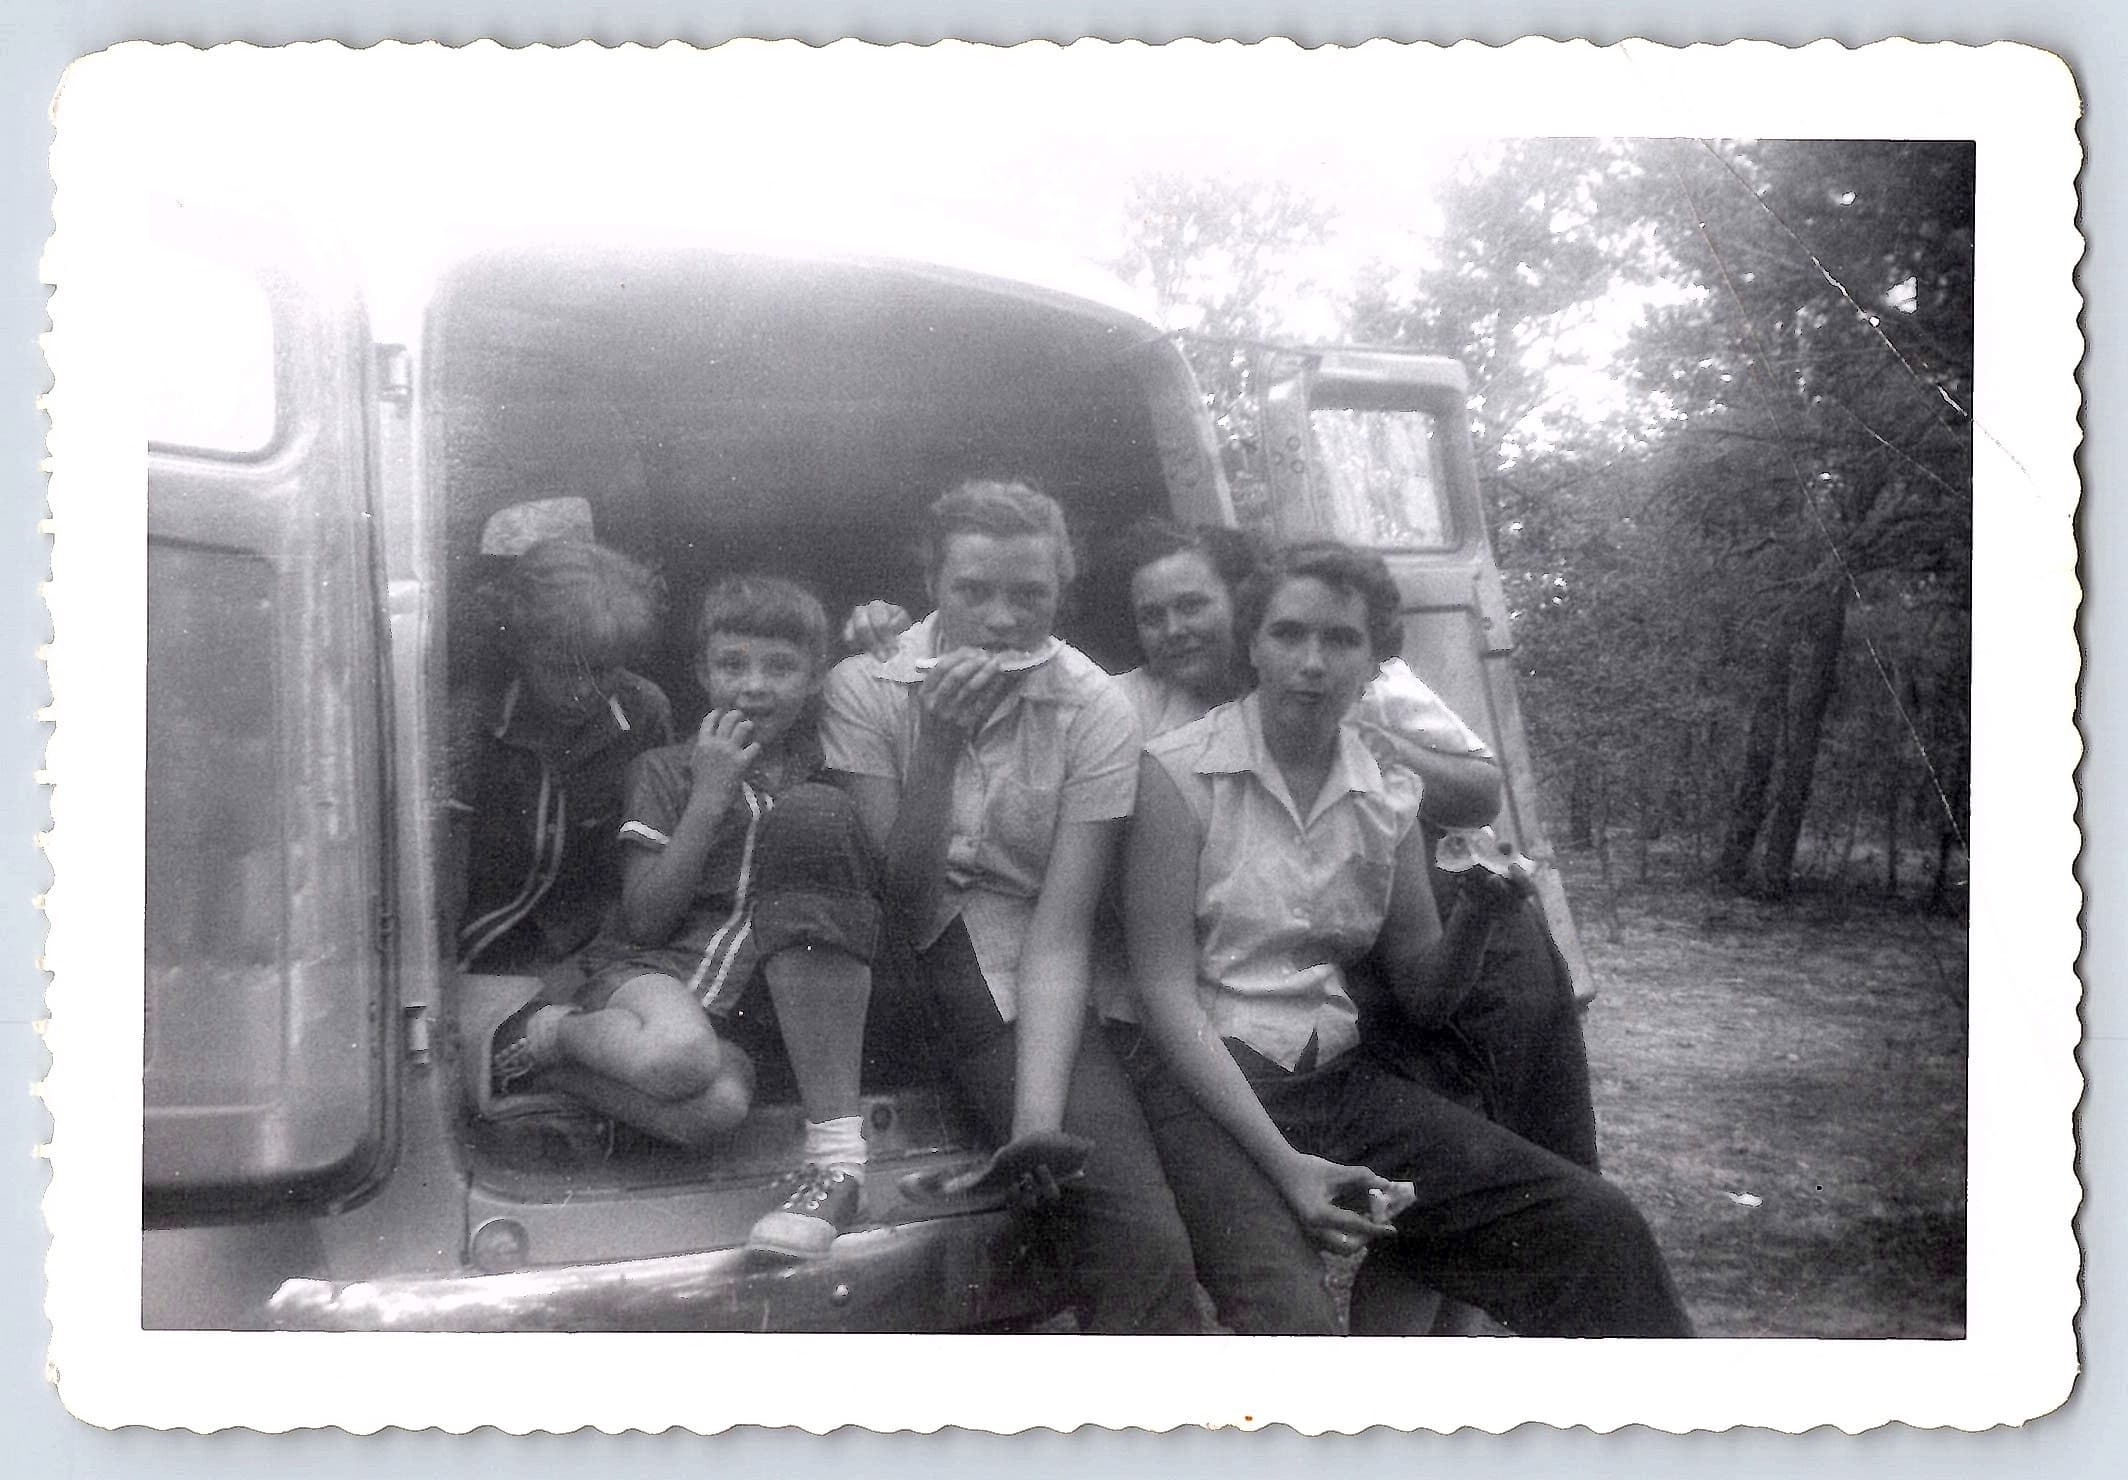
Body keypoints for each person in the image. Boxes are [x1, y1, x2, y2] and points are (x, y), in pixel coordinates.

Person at [1123, 539, 1692, 1337]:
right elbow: (1161, 996)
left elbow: (1424, 990)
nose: (1312, 663)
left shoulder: (1385, 790)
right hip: (1208, 1088)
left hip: (1335, 1087)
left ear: (1374, 661)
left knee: (1595, 1226)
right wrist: (1291, 1172)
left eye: (1341, 640)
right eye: (1288, 635)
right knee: (1298, 1338)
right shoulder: (1176, 775)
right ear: (1251, 643)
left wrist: (1480, 916)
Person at [820, 476, 1202, 1333]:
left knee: (1148, 1242)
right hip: (909, 951)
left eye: (1029, 595)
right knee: (1134, 1232)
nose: (1001, 619)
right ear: (933, 586)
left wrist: (1037, 1124)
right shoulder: (867, 685)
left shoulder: (1095, 705)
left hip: (1032, 964)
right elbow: (902, 908)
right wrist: (940, 743)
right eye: (974, 592)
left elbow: (1059, 929)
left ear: (1062, 588)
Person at [487, 575, 885, 1261]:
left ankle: (549, 1065)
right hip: (648, 974)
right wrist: (710, 795)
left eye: (780, 668)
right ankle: (557, 1031)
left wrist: (887, 631)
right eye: (732, 665)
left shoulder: (826, 770)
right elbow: (645, 920)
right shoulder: (665, 770)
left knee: (717, 1108)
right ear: (702, 671)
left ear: (817, 677)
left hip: (730, 1004)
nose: (753, 686)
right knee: (681, 1057)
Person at [452, 537, 676, 975]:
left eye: (605, 669)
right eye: (562, 670)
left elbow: (647, 860)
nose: (585, 692)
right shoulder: (472, 718)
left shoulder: (645, 712)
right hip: (477, 950)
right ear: (516, 647)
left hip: (590, 950)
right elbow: (445, 879)